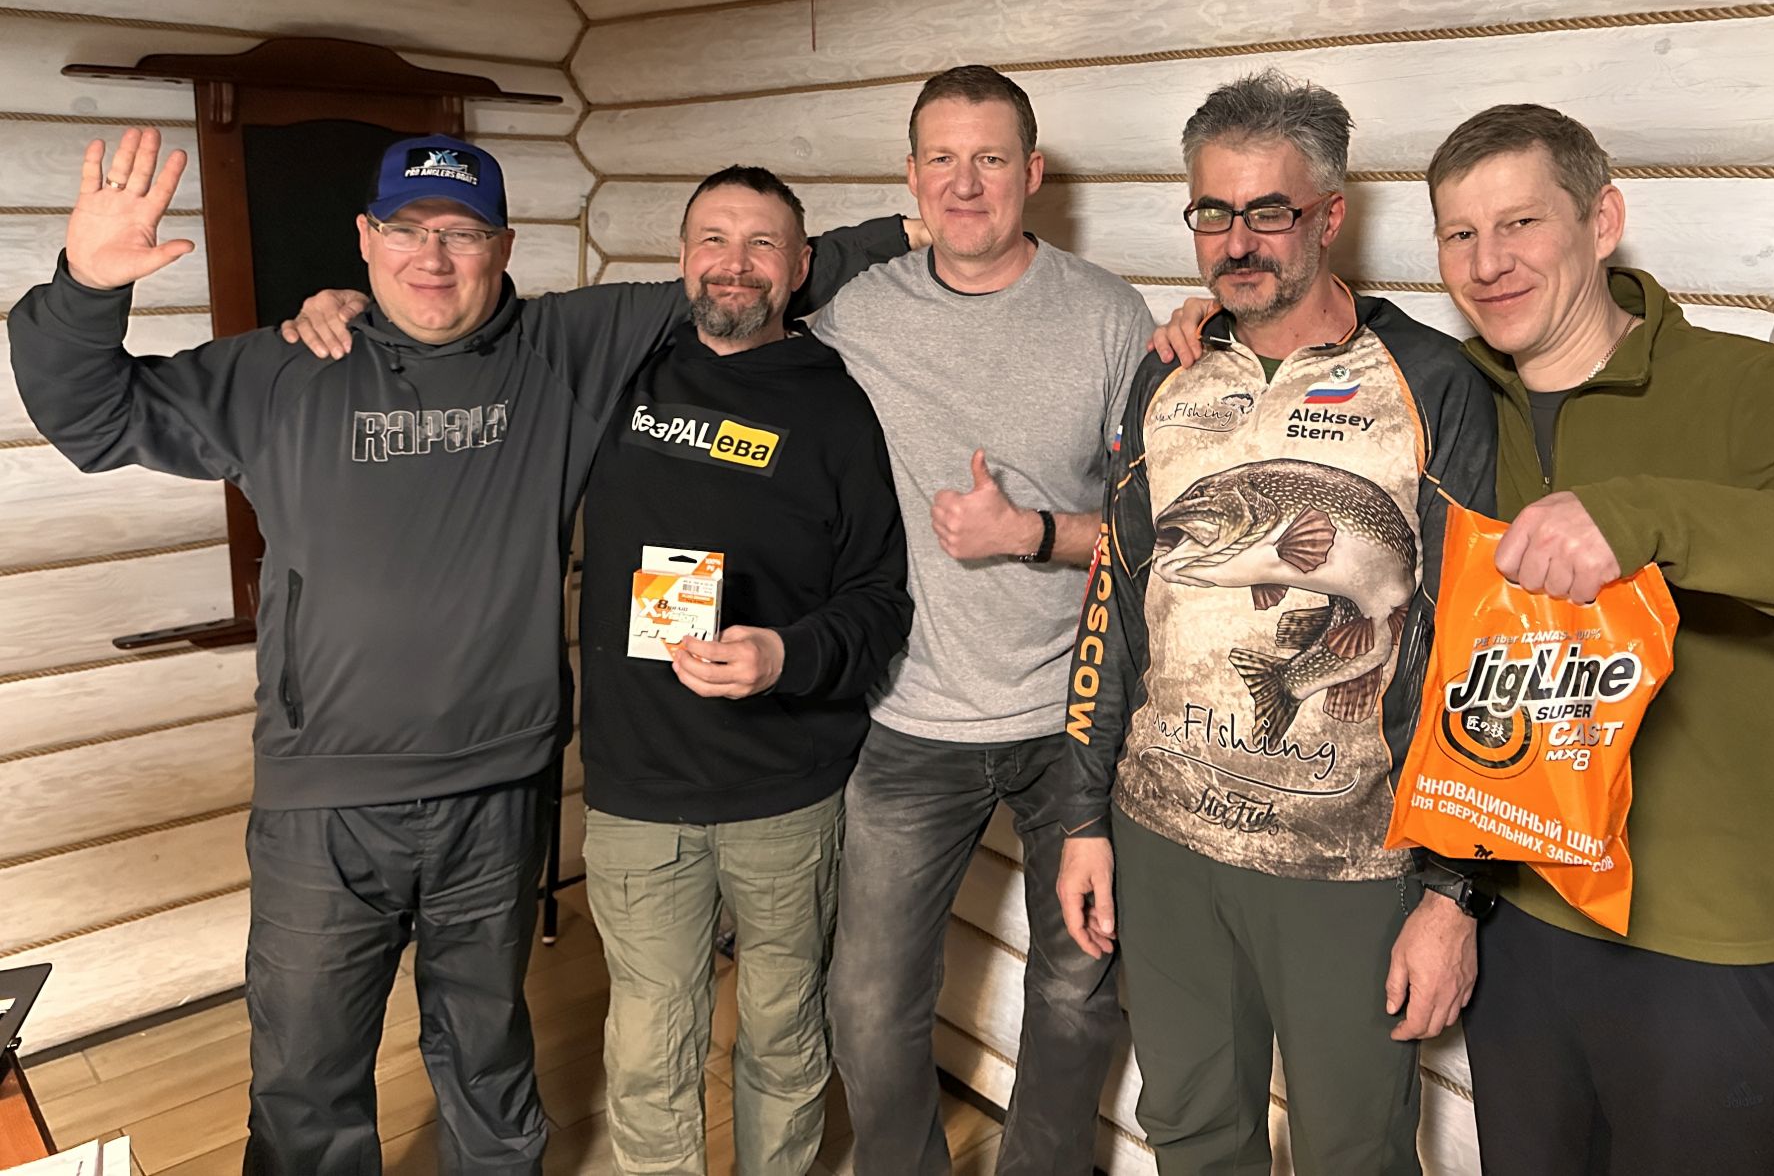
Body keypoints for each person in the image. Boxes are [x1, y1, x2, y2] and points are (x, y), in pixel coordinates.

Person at [8, 129, 911, 1174]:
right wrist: (87, 285)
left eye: (464, 234)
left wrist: (925, 224)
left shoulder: (562, 348)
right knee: (304, 1077)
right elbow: (91, 416)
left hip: (498, 790)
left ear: (503, 247)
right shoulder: (283, 368)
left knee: (486, 1060)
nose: (432, 257)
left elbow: (744, 281)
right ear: (365, 238)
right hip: (325, 800)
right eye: (407, 229)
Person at [1420, 104, 1774, 1175]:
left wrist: (1651, 517)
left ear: (1601, 222)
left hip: (1706, 943)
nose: (1488, 263)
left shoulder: (1745, 390)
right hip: (1518, 916)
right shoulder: (1452, 400)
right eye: (1460, 233)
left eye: (1521, 223)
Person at [1053, 70, 1497, 1174]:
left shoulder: (1430, 381)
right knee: (1190, 1133)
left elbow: (1475, 638)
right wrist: (1081, 818)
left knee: (1356, 1150)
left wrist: (1454, 891)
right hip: (1162, 837)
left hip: (1349, 859)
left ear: (1329, 216)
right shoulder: (1165, 376)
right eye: (1213, 211)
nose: (1237, 242)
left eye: (1268, 211)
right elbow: (1115, 601)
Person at [815, 66, 1155, 1176]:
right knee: (867, 1004)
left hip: (1077, 719)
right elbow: (728, 312)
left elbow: (1158, 531)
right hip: (911, 715)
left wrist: (1030, 534)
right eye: (943, 160)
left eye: (991, 159)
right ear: (912, 178)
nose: (966, 184)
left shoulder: (1107, 316)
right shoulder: (857, 315)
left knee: (1074, 992)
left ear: (1032, 172)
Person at [575, 166, 913, 1176]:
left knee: (784, 1034)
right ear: (681, 259)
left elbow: (879, 599)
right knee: (649, 1051)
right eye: (713, 240)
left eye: (762, 244)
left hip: (788, 791)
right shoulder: (615, 375)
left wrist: (785, 655)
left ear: (800, 267)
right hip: (638, 788)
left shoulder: (838, 404)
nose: (735, 263)